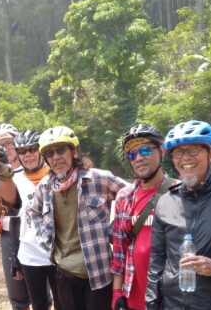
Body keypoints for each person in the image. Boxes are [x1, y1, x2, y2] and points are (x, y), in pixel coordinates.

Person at [146, 120, 211, 310]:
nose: (185, 159)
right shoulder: (165, 202)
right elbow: (157, 260)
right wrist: (151, 303)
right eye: (179, 153)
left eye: (194, 150)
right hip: (172, 305)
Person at [29, 126, 128, 310]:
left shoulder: (98, 179)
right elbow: (33, 212)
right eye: (50, 153)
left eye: (61, 150)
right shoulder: (45, 187)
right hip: (64, 274)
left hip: (98, 274)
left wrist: (116, 230)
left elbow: (132, 196)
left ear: (74, 151)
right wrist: (44, 238)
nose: (56, 157)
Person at [111, 124, 178, 310]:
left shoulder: (179, 193)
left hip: (167, 298)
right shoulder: (124, 196)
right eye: (132, 154)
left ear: (162, 152)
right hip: (132, 295)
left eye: (145, 150)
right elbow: (119, 248)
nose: (138, 158)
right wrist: (117, 292)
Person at [12, 130, 60, 310]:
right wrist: (15, 257)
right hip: (30, 255)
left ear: (41, 150)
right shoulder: (14, 180)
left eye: (32, 149)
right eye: (22, 151)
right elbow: (16, 221)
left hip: (58, 253)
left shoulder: (57, 175)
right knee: (39, 304)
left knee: (63, 302)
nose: (28, 154)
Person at [0, 123, 31, 310]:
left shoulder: (33, 168)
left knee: (43, 290)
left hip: (35, 233)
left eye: (9, 143)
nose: (6, 149)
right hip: (9, 234)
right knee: (17, 293)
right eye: (0, 146)